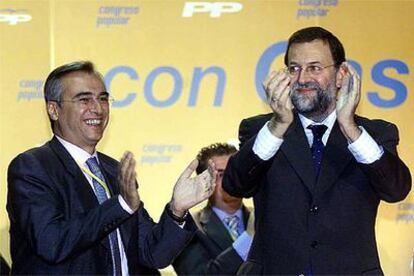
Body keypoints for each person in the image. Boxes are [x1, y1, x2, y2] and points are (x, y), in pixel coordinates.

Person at [223, 26, 412, 275]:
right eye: (294, 68)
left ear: (341, 74)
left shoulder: (374, 134)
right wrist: (278, 125)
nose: (302, 79)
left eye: (314, 68)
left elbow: (396, 190)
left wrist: (349, 128)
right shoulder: (261, 129)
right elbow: (236, 186)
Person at [7, 61, 217, 275]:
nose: (97, 108)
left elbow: (152, 253)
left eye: (103, 99)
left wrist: (176, 211)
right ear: (53, 110)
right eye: (84, 99)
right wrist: (120, 205)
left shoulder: (113, 170)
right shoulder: (32, 168)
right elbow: (52, 243)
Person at [173, 143, 254, 275]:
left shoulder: (262, 219)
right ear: (206, 182)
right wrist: (248, 238)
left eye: (235, 172)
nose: (231, 179)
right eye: (221, 175)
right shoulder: (187, 228)